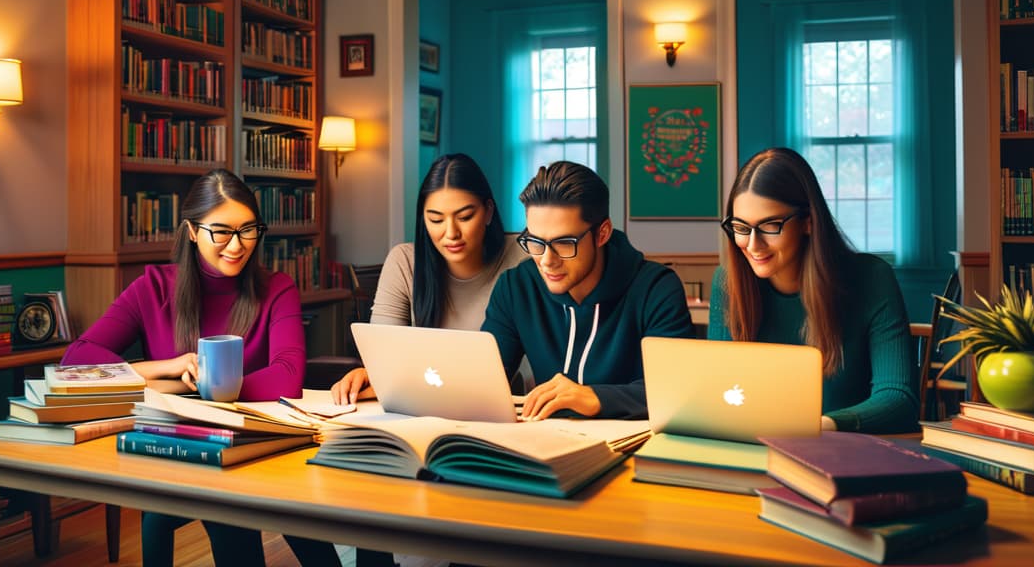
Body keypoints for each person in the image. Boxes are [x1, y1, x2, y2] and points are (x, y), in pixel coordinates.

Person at [61, 168, 336, 567]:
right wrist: (162, 368)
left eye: (249, 230)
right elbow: (77, 360)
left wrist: (206, 389)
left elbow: (288, 374)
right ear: (191, 231)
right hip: (183, 448)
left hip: (263, 445)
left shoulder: (277, 288)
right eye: (221, 231)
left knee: (243, 504)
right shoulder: (153, 287)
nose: (237, 246)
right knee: (221, 504)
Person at [708, 147, 918, 434]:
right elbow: (719, 394)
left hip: (844, 454)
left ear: (808, 221)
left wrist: (819, 427)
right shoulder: (728, 283)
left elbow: (898, 399)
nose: (753, 245)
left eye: (770, 226)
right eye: (741, 227)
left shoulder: (871, 279)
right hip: (754, 451)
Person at [481, 160, 694, 420]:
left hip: (632, 449)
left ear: (602, 233)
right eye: (536, 242)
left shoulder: (657, 289)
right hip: (544, 444)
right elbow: (483, 383)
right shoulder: (515, 287)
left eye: (563, 243)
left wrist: (593, 397)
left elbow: (676, 392)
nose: (547, 260)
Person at [331, 153, 527, 405]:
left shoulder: (523, 258)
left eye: (465, 217)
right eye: (435, 219)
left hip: (502, 410)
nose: (451, 233)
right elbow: (383, 358)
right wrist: (370, 375)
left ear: (488, 212)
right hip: (419, 409)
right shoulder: (404, 262)